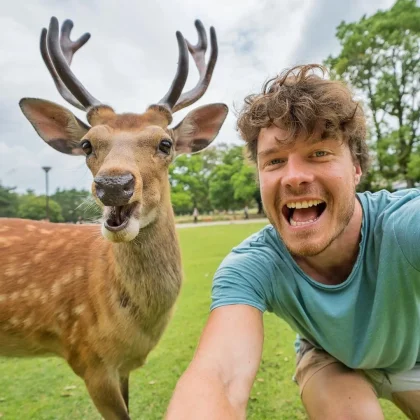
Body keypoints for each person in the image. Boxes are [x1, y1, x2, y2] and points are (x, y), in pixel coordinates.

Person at [166, 64, 420, 419]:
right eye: (275, 161)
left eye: (319, 153)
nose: (294, 177)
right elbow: (219, 377)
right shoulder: (253, 266)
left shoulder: (403, 225)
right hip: (330, 356)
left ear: (357, 168)